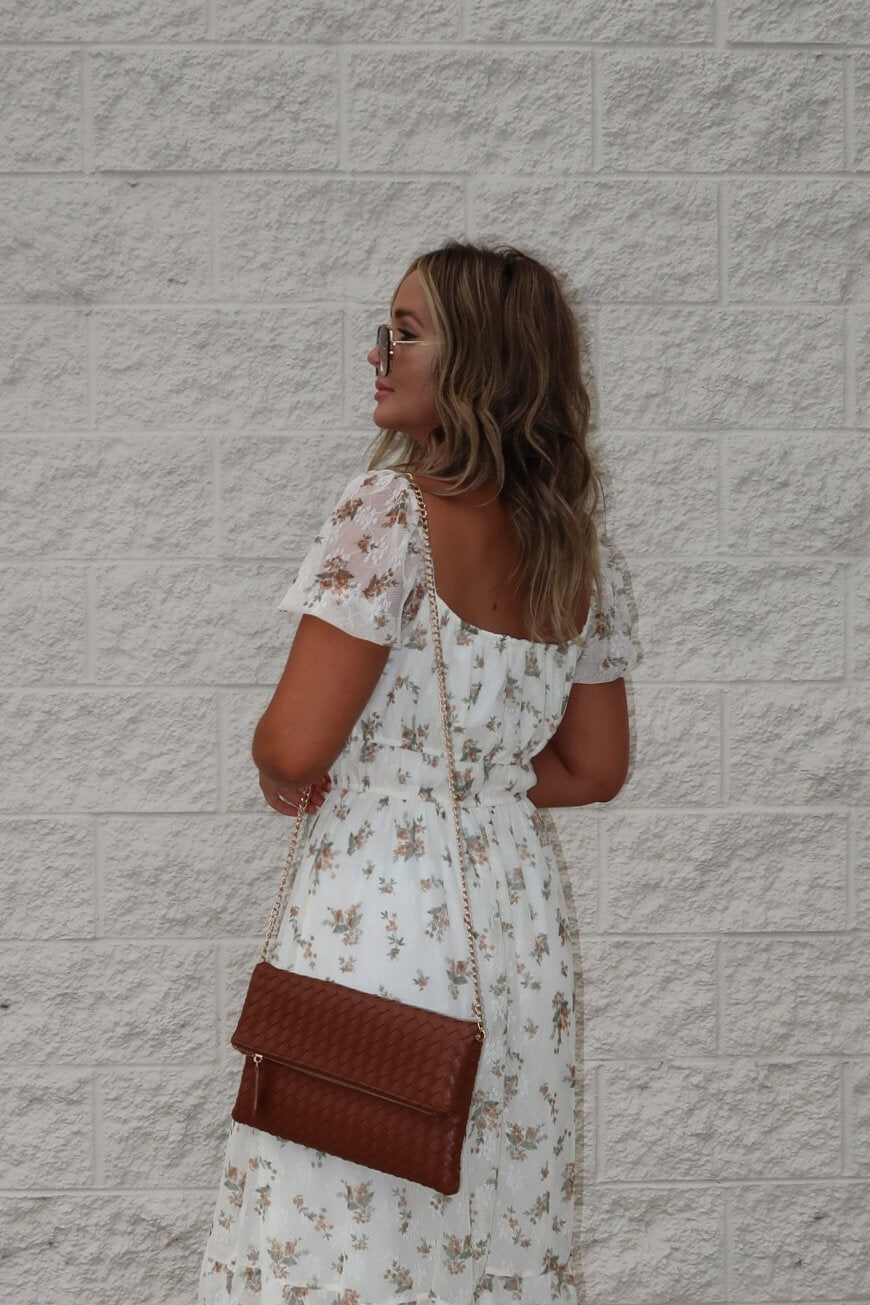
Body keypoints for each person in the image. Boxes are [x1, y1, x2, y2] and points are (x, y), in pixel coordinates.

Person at [198, 241, 637, 1305]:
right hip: (514, 929)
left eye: (408, 329)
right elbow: (591, 766)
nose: (378, 350)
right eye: (383, 326)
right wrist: (471, 785)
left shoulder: (389, 514)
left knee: (341, 1218)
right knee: (486, 1209)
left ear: (479, 359)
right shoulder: (576, 551)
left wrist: (302, 774)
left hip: (380, 926)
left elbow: (293, 747)